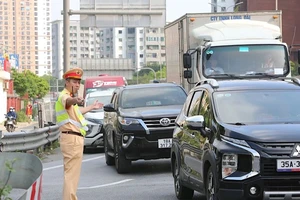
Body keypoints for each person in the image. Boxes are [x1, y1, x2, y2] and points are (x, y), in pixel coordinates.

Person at [55, 67, 103, 200]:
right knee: (71, 175)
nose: (77, 85)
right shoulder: (65, 96)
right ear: (67, 82)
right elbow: (68, 101)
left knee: (72, 174)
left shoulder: (69, 97)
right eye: (74, 82)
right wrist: (75, 100)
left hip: (72, 138)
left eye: (79, 82)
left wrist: (91, 107)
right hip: (71, 139)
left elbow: (77, 112)